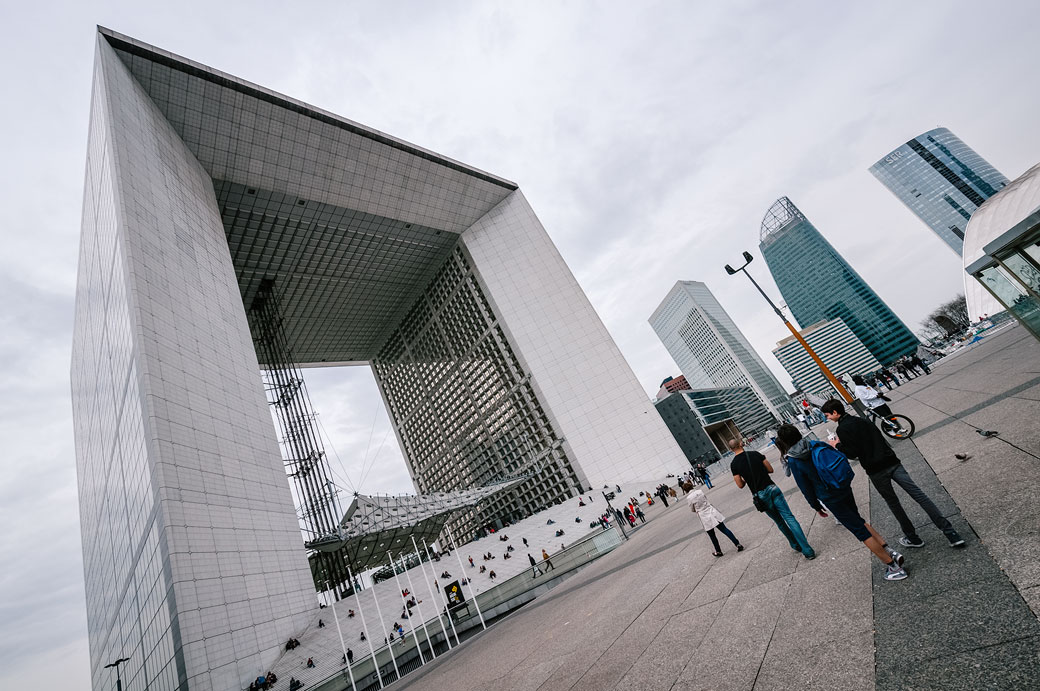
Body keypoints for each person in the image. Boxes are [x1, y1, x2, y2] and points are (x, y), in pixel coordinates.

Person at [822, 399, 965, 549]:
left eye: (828, 415)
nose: (827, 418)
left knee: (894, 504)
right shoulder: (862, 420)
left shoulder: (842, 429)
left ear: (835, 413)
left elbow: (852, 453)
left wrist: (836, 444)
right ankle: (951, 533)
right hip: (891, 461)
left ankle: (913, 538)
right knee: (919, 495)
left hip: (875, 470)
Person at [775, 424, 907, 581]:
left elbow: (806, 488)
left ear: (784, 441)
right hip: (842, 486)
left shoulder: (794, 461)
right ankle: (889, 551)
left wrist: (815, 506)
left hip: (830, 497)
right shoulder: (815, 444)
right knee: (858, 520)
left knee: (859, 531)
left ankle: (893, 566)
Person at [729, 438, 816, 559]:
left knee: (780, 522)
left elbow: (740, 485)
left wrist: (745, 477)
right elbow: (770, 469)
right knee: (789, 517)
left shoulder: (734, 464)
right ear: (741, 444)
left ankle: (795, 544)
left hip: (760, 495)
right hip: (772, 488)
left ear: (731, 449)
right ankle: (808, 550)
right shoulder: (755, 454)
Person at [685, 483, 743, 556]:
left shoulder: (689, 498)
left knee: (712, 535)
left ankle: (718, 551)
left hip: (704, 516)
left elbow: (692, 509)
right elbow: (706, 499)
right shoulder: (700, 491)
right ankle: (737, 544)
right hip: (711, 511)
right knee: (724, 529)